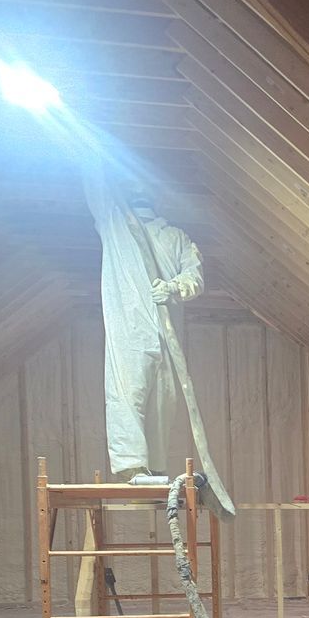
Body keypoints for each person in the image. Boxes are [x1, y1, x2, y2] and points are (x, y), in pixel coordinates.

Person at [85, 170, 206, 484]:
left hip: (167, 331)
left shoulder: (176, 236)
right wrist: (90, 152)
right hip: (130, 325)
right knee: (128, 392)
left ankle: (153, 466)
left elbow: (194, 275)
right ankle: (132, 464)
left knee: (164, 400)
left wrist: (173, 287)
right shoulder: (117, 226)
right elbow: (96, 187)